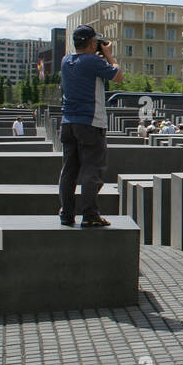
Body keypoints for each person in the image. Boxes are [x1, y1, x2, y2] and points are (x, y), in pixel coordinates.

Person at [58, 24, 123, 228]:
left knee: (68, 171)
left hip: (68, 123)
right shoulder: (93, 61)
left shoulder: (65, 61)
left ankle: (66, 214)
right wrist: (109, 55)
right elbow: (118, 76)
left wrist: (99, 53)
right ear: (92, 43)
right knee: (91, 170)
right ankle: (90, 215)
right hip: (90, 123)